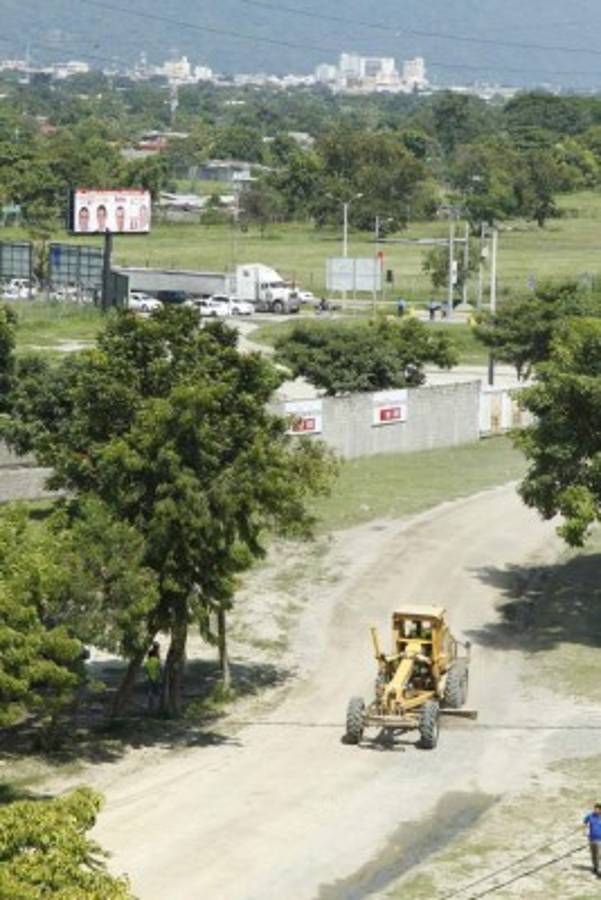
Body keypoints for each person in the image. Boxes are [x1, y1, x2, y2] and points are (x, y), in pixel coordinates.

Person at [583, 803, 601, 876]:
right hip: (591, 839)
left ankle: (599, 870)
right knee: (593, 854)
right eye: (594, 809)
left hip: (599, 839)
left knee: (599, 855)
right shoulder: (590, 815)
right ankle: (595, 868)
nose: (595, 810)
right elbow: (585, 822)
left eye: (597, 809)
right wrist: (584, 831)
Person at [144, 642, 162, 713]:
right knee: (157, 692)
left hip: (149, 677)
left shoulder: (147, 662)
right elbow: (159, 669)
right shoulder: (157, 660)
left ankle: (150, 705)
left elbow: (146, 671)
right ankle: (157, 706)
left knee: (150, 692)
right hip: (156, 677)